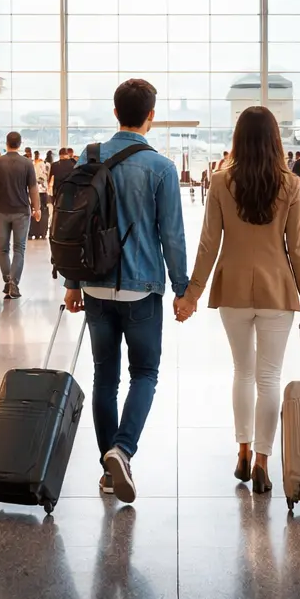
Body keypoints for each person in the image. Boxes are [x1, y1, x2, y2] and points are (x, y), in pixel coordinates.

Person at [177, 105, 300, 494]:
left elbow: (210, 243)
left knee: (242, 372)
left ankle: (242, 451)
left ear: (238, 138)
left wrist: (192, 295)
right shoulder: (289, 184)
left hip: (234, 288)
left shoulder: (222, 182)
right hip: (278, 290)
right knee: (269, 376)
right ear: (275, 139)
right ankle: (262, 461)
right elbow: (298, 250)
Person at [63, 79, 188, 505]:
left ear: (115, 113)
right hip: (142, 288)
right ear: (150, 116)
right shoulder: (161, 168)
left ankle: (107, 468)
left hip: (95, 284)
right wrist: (182, 290)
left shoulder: (90, 156)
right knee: (145, 374)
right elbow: (171, 235)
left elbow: (75, 226)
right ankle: (123, 449)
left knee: (104, 377)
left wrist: (72, 283)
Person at [0, 132, 39, 298]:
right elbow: (33, 187)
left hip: (0, 210)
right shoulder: (27, 163)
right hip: (21, 211)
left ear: (6, 143)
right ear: (20, 143)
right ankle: (14, 283)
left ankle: (7, 280)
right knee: (19, 249)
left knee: (3, 249)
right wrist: (37, 208)